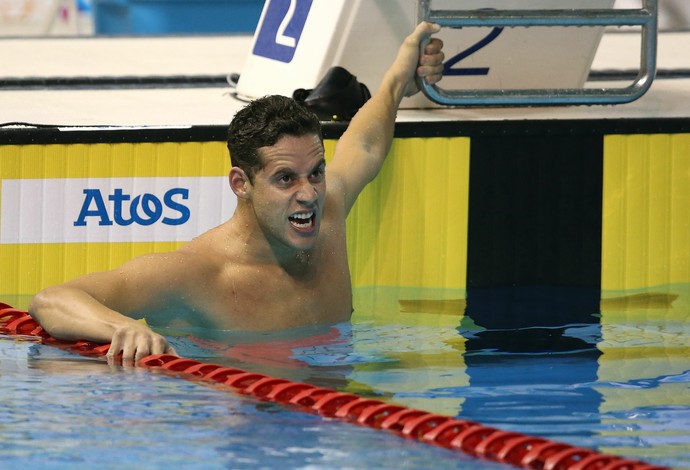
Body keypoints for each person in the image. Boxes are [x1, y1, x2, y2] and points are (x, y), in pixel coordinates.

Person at [29, 22, 445, 364]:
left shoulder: (329, 210)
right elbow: (53, 299)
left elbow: (365, 146)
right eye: (286, 179)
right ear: (240, 184)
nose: (309, 194)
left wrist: (398, 79)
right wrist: (123, 326)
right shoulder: (198, 273)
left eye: (315, 172)